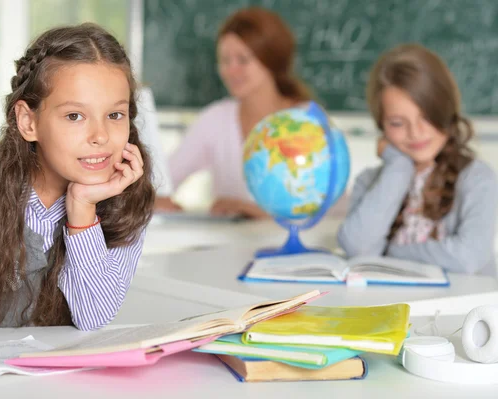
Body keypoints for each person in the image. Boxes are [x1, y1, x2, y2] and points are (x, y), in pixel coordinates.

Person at [0, 23, 155, 360]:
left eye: (115, 115)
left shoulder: (127, 203)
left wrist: (82, 210)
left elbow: (93, 318)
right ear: (28, 122)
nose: (101, 135)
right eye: (75, 116)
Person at [337, 44, 497, 275]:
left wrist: (388, 253)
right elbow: (357, 247)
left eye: (427, 117)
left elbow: (467, 257)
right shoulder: (370, 181)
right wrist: (398, 168)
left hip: (460, 308)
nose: (415, 132)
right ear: (381, 125)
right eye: (397, 123)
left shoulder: (477, 178)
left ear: (445, 111)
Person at [155, 7, 312, 219]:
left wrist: (257, 213)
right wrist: (154, 200)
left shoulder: (306, 121)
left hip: (295, 249)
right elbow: (161, 182)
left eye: (243, 60)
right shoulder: (217, 119)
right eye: (225, 60)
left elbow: (328, 208)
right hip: (229, 250)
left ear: (271, 60)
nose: (231, 70)